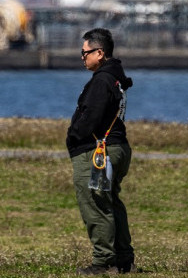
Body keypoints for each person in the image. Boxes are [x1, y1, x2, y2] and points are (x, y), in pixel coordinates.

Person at [67, 28, 137, 275]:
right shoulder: (116, 78)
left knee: (96, 204)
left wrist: (74, 134)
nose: (82, 58)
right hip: (116, 148)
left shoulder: (102, 81)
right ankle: (123, 259)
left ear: (100, 52)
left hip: (98, 153)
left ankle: (104, 261)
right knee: (111, 202)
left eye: (84, 53)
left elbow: (90, 117)